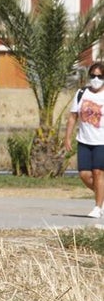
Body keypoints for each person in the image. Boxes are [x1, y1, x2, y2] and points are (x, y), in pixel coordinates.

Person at [64, 61, 104, 218]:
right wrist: (67, 137)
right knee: (84, 175)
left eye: (100, 76)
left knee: (98, 173)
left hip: (101, 142)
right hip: (84, 140)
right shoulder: (81, 93)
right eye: (93, 76)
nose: (96, 79)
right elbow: (73, 117)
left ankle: (97, 207)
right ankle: (100, 196)